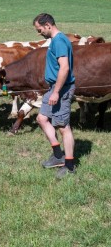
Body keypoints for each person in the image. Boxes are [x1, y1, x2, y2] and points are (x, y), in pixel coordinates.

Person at [33, 13, 76, 179]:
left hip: (61, 89)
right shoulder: (56, 40)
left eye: (39, 29)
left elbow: (64, 68)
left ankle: (70, 166)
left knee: (64, 127)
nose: (39, 33)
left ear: (48, 25)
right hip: (54, 87)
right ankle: (58, 155)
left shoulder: (59, 41)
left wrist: (57, 92)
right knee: (42, 119)